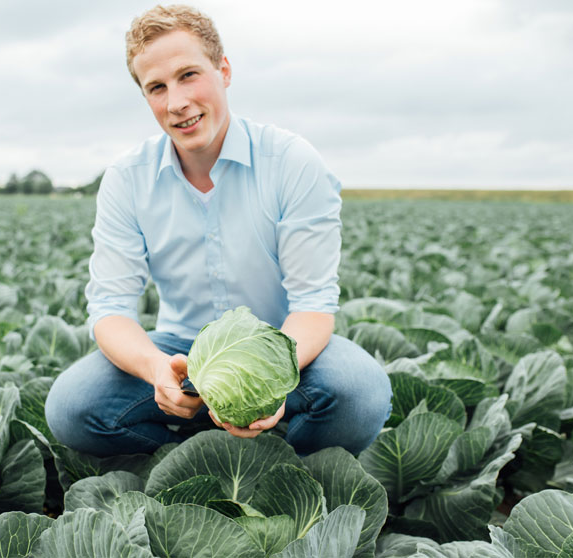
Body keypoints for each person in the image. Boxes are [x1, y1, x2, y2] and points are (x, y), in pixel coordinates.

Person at [44, 4, 391, 457]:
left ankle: (285, 465)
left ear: (223, 70)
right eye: (157, 88)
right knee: (72, 406)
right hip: (179, 352)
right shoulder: (128, 179)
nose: (176, 103)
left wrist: (265, 377)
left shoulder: (292, 162)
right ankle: (191, 454)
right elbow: (110, 308)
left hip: (283, 344)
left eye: (188, 75)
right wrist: (155, 370)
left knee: (361, 393)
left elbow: (313, 304)